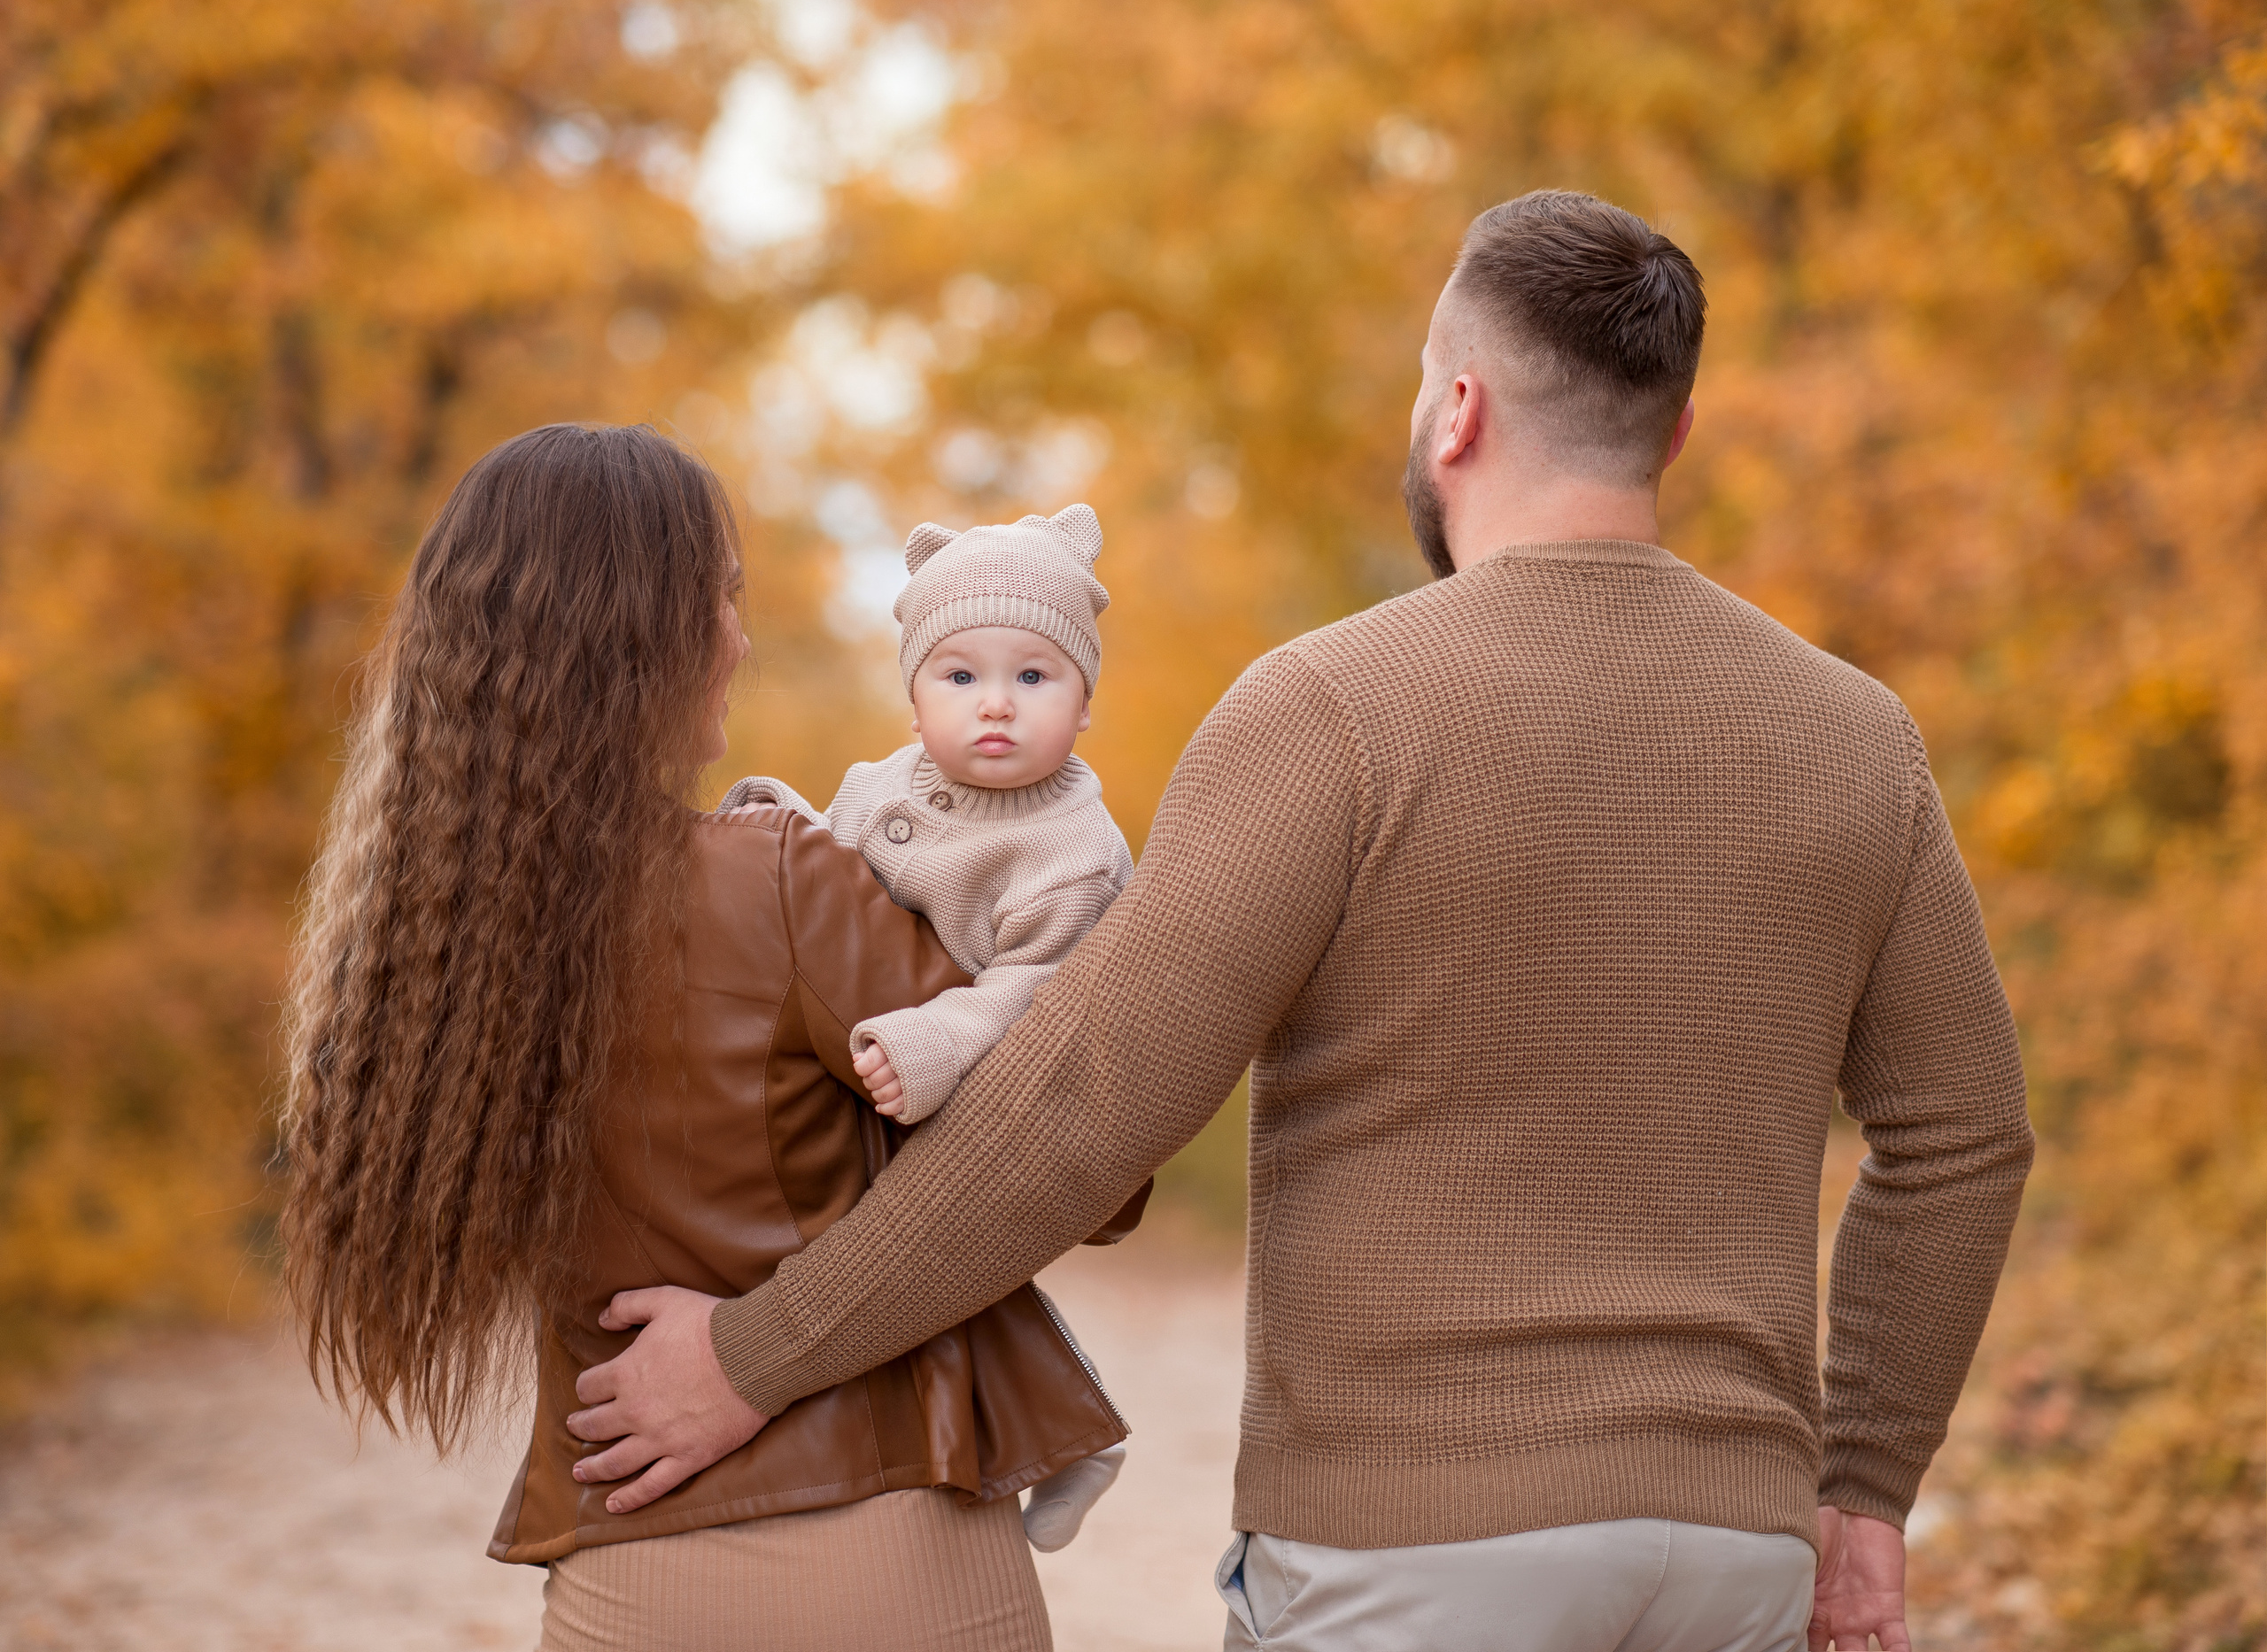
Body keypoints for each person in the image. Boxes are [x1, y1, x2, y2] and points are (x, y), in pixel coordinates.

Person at [567, 192, 2037, 1652]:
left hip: (1414, 1552)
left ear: (1457, 412)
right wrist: (1863, 1494)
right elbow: (1965, 1136)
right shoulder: (1859, 736)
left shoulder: (1333, 710)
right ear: (1677, 433)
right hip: (1736, 1556)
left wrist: (755, 1358)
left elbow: (1084, 1105)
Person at [279, 422, 1129, 1652]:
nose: (739, 638)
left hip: (623, 1570)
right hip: (884, 1555)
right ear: (643, 637)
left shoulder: (431, 950)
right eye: (720, 601)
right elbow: (1085, 1163)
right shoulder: (773, 878)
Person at [719, 501, 1135, 1550]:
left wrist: (940, 1040)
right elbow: (830, 882)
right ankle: (1071, 1426)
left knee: (941, 1247)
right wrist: (776, 820)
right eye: (959, 677)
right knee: (860, 1235)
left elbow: (1039, 989)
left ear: (1084, 702)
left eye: (1033, 676)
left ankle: (1073, 1430)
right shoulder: (879, 788)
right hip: (872, 1060)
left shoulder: (1075, 850)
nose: (995, 703)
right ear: (913, 704)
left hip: (986, 1081)